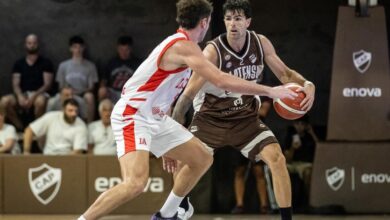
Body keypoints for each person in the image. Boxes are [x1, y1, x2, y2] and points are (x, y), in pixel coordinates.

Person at [78, 0, 297, 219]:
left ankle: (167, 214)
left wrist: (167, 141)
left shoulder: (185, 46)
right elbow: (221, 80)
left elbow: (169, 94)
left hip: (156, 118)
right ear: (205, 22)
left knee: (202, 157)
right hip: (133, 115)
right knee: (135, 183)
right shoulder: (183, 47)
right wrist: (271, 91)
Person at [164, 1, 315, 219]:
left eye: (238, 18)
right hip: (210, 118)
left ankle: (286, 218)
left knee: (277, 158)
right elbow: (185, 97)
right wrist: (174, 136)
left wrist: (307, 84)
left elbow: (286, 75)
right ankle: (179, 207)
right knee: (183, 160)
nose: (232, 24)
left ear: (248, 22)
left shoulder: (260, 43)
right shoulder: (212, 52)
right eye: (228, 18)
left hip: (245, 119)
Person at [0, 34, 54, 130]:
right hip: (23, 94)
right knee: (4, 101)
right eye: (29, 43)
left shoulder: (46, 62)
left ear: (38, 44)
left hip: (40, 94)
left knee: (40, 102)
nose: (32, 45)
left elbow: (47, 84)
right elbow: (15, 84)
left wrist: (33, 96)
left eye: (34, 43)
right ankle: (20, 128)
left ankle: (35, 130)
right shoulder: (19, 63)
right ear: (25, 45)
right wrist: (20, 96)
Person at [231, 98, 272, 214]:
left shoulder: (263, 90)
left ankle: (264, 205)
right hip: (239, 134)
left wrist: (242, 109)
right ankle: (239, 205)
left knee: (259, 170)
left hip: (256, 134)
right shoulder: (237, 90)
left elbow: (263, 111)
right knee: (239, 170)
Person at [56, 35, 98, 123]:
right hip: (66, 93)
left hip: (82, 94)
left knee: (90, 96)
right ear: (71, 49)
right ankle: (62, 123)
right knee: (64, 94)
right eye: (75, 47)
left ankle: (89, 125)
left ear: (83, 48)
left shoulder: (90, 66)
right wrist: (68, 91)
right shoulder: (63, 66)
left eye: (80, 47)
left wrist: (78, 91)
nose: (78, 50)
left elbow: (91, 87)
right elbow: (60, 86)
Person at [23, 98, 88, 155]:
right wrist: (26, 152)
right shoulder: (51, 117)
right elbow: (29, 130)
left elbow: (78, 151)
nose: (74, 114)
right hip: (48, 156)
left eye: (76, 111)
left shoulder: (81, 125)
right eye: (70, 111)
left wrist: (62, 162)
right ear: (63, 110)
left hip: (68, 159)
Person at [284, 115, 318, 206]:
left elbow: (321, 150)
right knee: (281, 172)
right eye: (297, 124)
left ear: (306, 125)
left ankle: (310, 202)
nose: (299, 126)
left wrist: (312, 133)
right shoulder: (290, 135)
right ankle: (284, 202)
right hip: (292, 163)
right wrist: (293, 148)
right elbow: (287, 159)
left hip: (305, 164)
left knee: (308, 173)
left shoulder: (309, 137)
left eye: (302, 124)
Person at [98, 36, 142, 103]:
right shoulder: (112, 63)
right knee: (102, 91)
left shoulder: (137, 63)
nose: (123, 52)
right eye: (121, 49)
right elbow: (104, 80)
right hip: (114, 92)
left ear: (131, 49)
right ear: (117, 49)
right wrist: (103, 87)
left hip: (130, 93)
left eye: (126, 50)